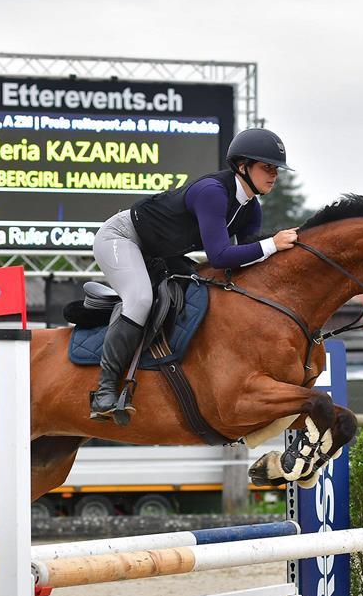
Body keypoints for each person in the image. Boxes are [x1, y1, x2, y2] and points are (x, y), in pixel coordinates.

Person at [88, 127, 299, 422]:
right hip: (122, 237)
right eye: (266, 167)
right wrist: (273, 244)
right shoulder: (213, 193)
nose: (273, 175)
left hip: (163, 252)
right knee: (140, 299)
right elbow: (220, 256)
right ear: (242, 166)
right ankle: (104, 393)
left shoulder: (252, 209)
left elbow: (242, 265)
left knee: (202, 289)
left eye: (275, 169)